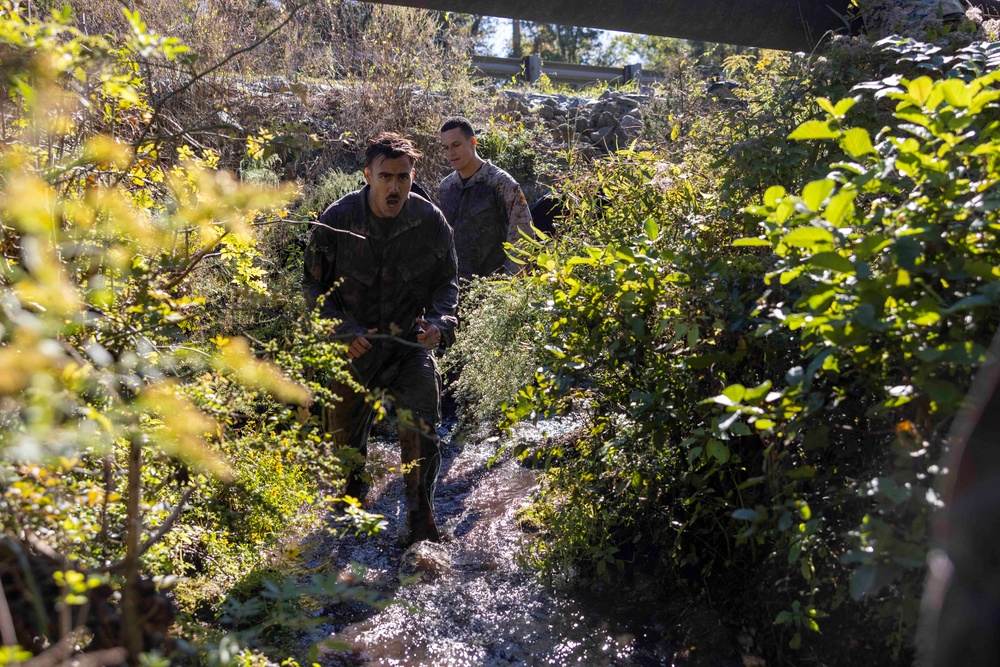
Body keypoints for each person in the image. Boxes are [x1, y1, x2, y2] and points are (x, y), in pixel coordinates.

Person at [303, 132, 459, 546]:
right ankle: (346, 532)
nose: (395, 187)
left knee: (423, 431)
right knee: (346, 455)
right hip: (356, 349)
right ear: (368, 175)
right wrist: (341, 333)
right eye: (386, 176)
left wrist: (440, 323)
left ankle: (421, 526)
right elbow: (313, 290)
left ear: (412, 177)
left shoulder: (429, 222)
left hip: (408, 344)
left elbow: (448, 283)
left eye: (403, 178)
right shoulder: (336, 220)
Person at [438, 116, 533, 281]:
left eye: (456, 145)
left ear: (472, 142)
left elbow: (523, 237)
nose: (450, 153)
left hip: (493, 290)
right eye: (445, 147)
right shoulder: (446, 188)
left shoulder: (501, 183)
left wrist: (509, 287)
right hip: (455, 290)